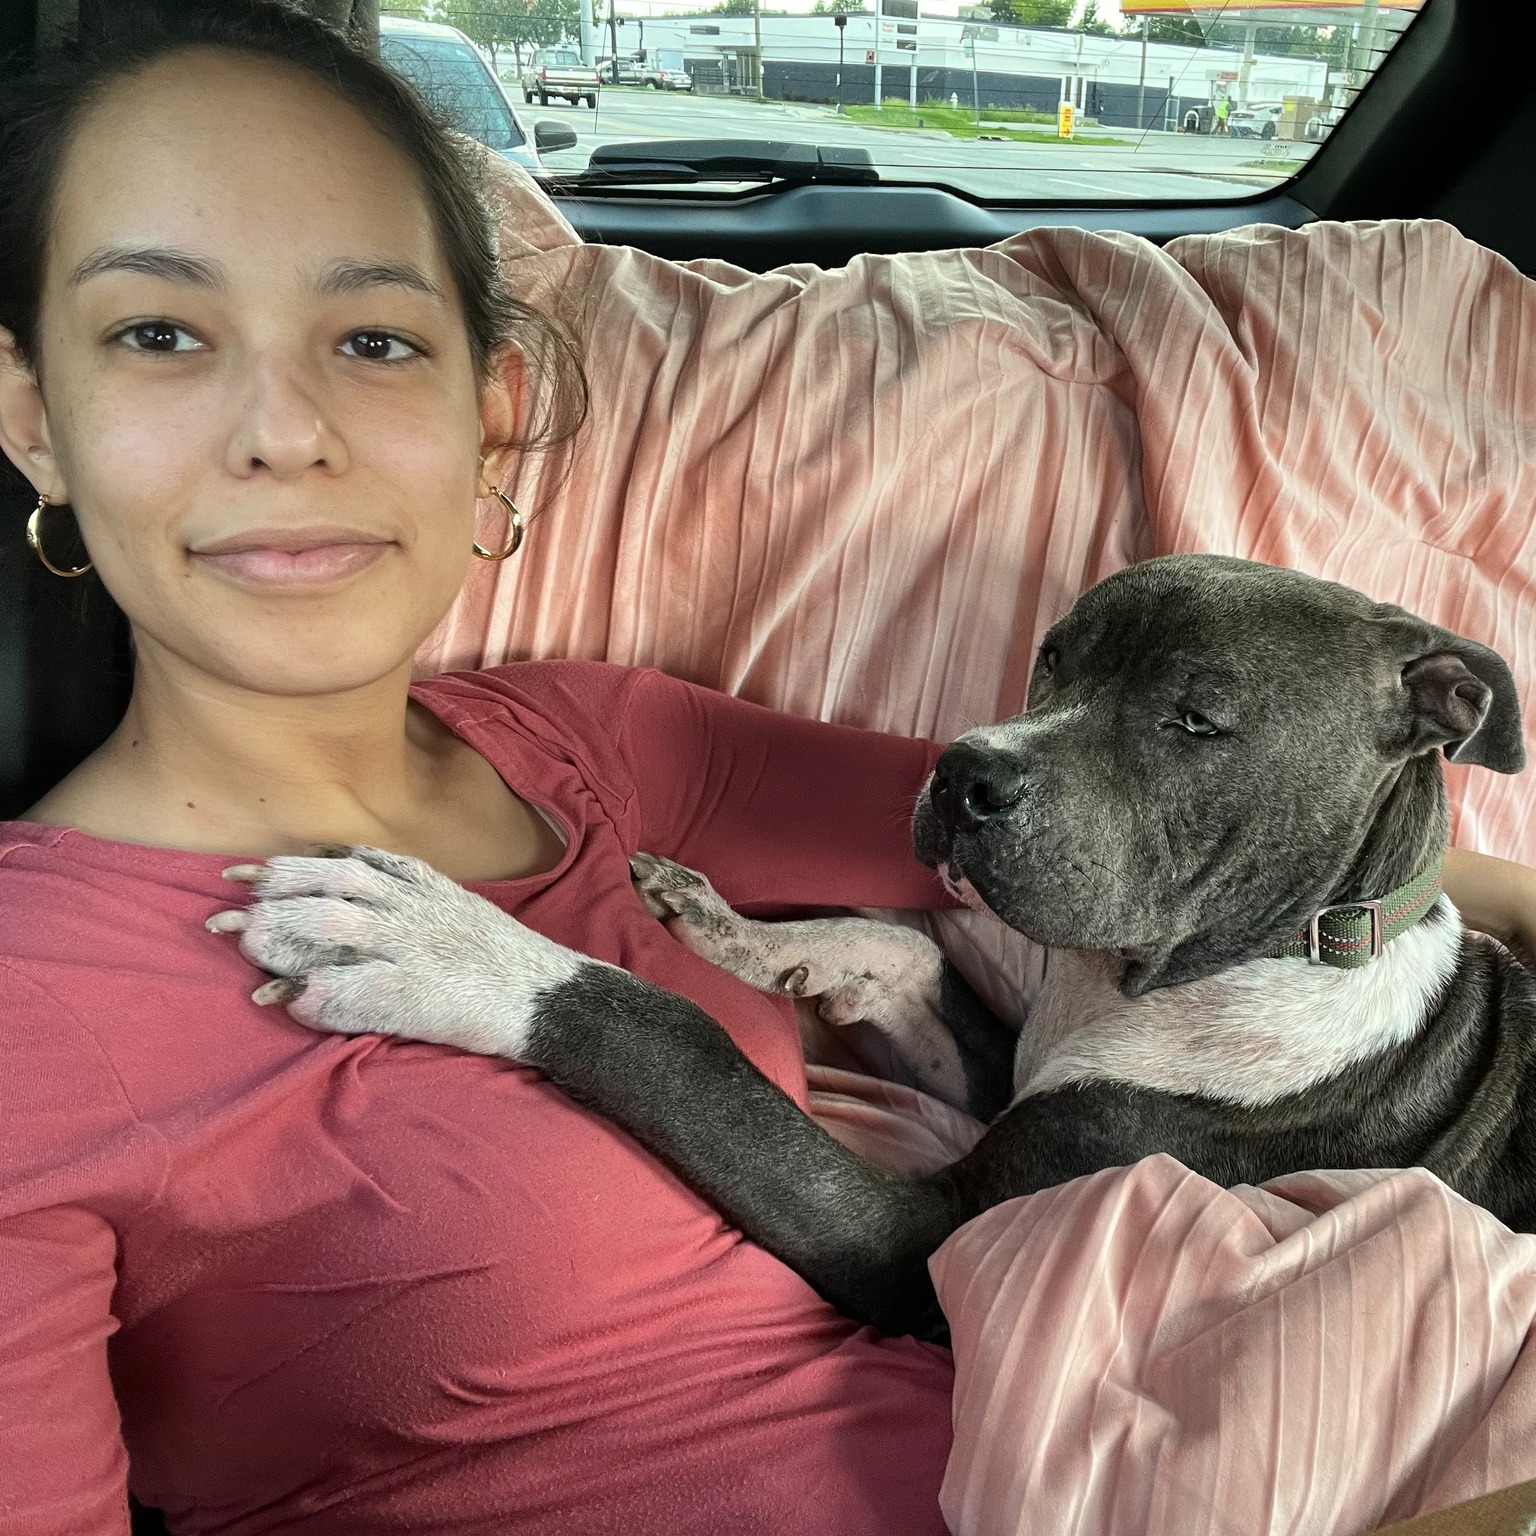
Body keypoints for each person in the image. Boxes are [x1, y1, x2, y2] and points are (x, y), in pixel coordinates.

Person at [2, 5, 1535, 1534]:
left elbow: (1193, 849)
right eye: (160, 332)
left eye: (376, 339)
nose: (284, 428)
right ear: (32, 417)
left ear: (492, 414)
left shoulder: (597, 739)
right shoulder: (33, 1010)